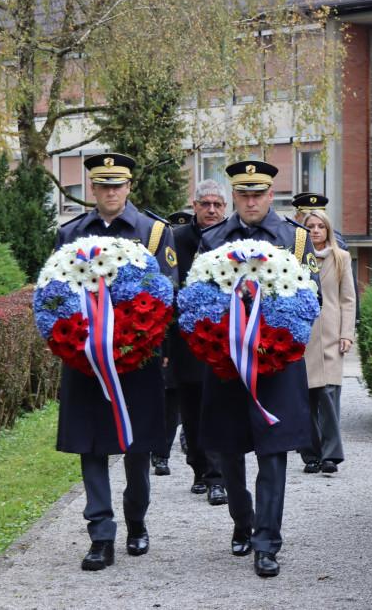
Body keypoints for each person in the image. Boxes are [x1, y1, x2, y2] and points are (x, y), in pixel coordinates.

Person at [53, 152, 178, 571]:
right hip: (87, 359)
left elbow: (166, 294)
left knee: (136, 444)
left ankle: (136, 521)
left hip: (135, 358)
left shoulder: (156, 232)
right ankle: (101, 535)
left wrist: (136, 338)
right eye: (102, 184)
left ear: (128, 187)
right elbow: (55, 293)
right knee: (91, 446)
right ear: (93, 188)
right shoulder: (70, 232)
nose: (110, 191)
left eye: (117, 184)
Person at [197, 160, 321, 578]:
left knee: (273, 452)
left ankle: (267, 542)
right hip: (228, 362)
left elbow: (311, 298)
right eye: (243, 193)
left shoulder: (297, 239)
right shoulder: (212, 237)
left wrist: (272, 329)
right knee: (230, 448)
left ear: (272, 195)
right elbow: (198, 295)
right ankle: (241, 523)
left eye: (258, 193)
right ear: (234, 195)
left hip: (276, 363)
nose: (250, 201)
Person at [166, 181, 229, 506]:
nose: (212, 210)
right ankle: (199, 470)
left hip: (226, 343)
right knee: (191, 413)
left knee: (218, 408)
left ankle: (217, 478)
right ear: (194, 205)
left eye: (218, 204)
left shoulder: (235, 239)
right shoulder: (176, 240)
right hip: (187, 343)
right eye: (206, 204)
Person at [298, 209, 357, 474]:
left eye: (321, 226)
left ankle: (331, 456)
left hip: (333, 335)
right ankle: (311, 455)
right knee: (306, 397)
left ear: (328, 230)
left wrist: (347, 334)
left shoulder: (341, 257)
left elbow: (348, 299)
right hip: (305, 337)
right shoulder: (296, 259)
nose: (316, 231)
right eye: (310, 226)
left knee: (329, 395)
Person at [150, 211, 195, 477]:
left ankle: (189, 441)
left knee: (186, 397)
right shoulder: (163, 258)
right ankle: (161, 453)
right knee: (169, 400)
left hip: (191, 335)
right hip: (168, 335)